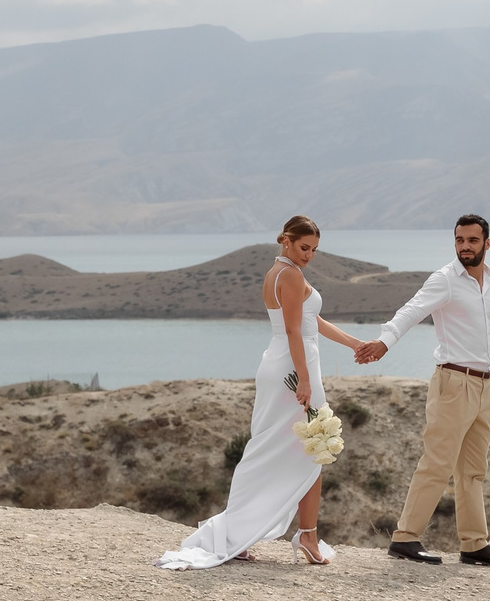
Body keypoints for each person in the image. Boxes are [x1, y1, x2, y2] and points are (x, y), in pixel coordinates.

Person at [158, 215, 375, 570]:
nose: (309, 255)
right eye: (304, 248)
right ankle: (302, 536)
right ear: (286, 241)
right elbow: (293, 332)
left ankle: (261, 533)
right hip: (293, 368)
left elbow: (311, 321)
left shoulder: (282, 272)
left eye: (315, 250)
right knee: (312, 445)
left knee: (288, 447)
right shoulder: (288, 274)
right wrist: (304, 380)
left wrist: (353, 342)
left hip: (287, 364)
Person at [354, 213, 490, 569]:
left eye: (472, 241)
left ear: (487, 244)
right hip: (452, 382)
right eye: (459, 240)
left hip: (483, 385)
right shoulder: (445, 279)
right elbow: (412, 311)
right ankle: (405, 538)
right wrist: (385, 342)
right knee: (437, 463)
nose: (465, 246)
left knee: (474, 469)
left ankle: (475, 544)